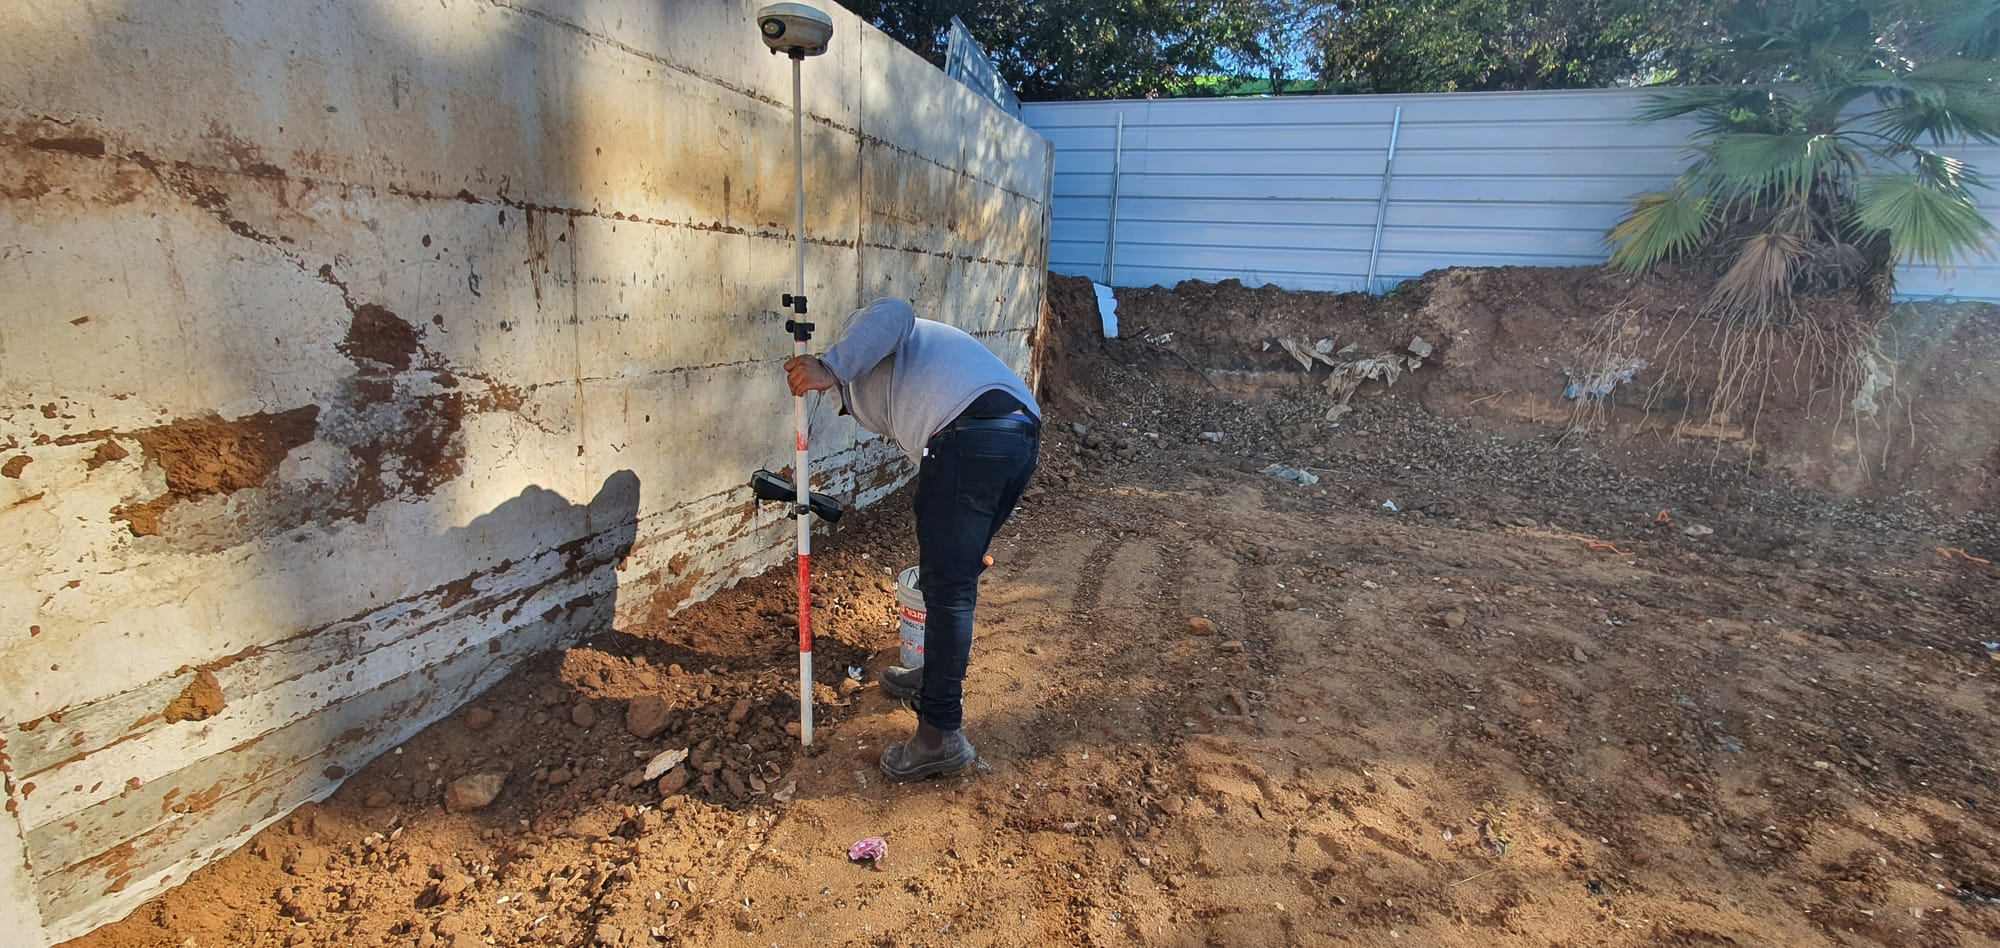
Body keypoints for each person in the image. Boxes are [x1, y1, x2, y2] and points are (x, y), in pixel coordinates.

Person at [784, 297, 1040, 780]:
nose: (843, 414)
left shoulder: (867, 339)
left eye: (840, 404)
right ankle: (933, 678)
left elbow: (895, 310)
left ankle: (940, 734)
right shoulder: (924, 375)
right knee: (950, 573)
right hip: (1015, 433)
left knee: (947, 589)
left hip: (973, 434)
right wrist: (962, 537)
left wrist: (829, 365)